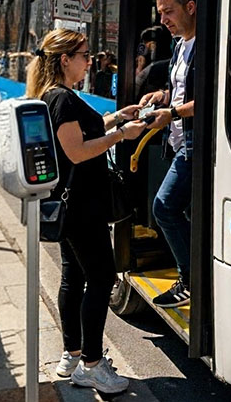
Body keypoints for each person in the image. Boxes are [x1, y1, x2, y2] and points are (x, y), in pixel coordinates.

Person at [25, 28, 146, 393]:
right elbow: (76, 151)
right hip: (82, 207)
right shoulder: (61, 98)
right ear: (65, 60)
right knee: (102, 276)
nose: (89, 61)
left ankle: (72, 354)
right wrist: (120, 137)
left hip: (74, 202)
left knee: (74, 277)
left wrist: (114, 119)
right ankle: (92, 365)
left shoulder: (57, 96)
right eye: (84, 55)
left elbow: (78, 135)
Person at [139, 0, 198, 308]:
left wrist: (171, 111)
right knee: (179, 210)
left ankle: (190, 279)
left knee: (164, 208)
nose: (163, 20)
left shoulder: (206, 45)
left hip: (192, 149)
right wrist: (159, 96)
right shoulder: (179, 44)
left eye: (168, 12)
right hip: (176, 144)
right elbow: (178, 90)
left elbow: (209, 100)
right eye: (160, 12)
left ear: (190, 7)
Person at [135, 25, 173, 101]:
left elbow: (137, 85)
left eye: (145, 43)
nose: (143, 46)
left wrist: (139, 68)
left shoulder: (156, 67)